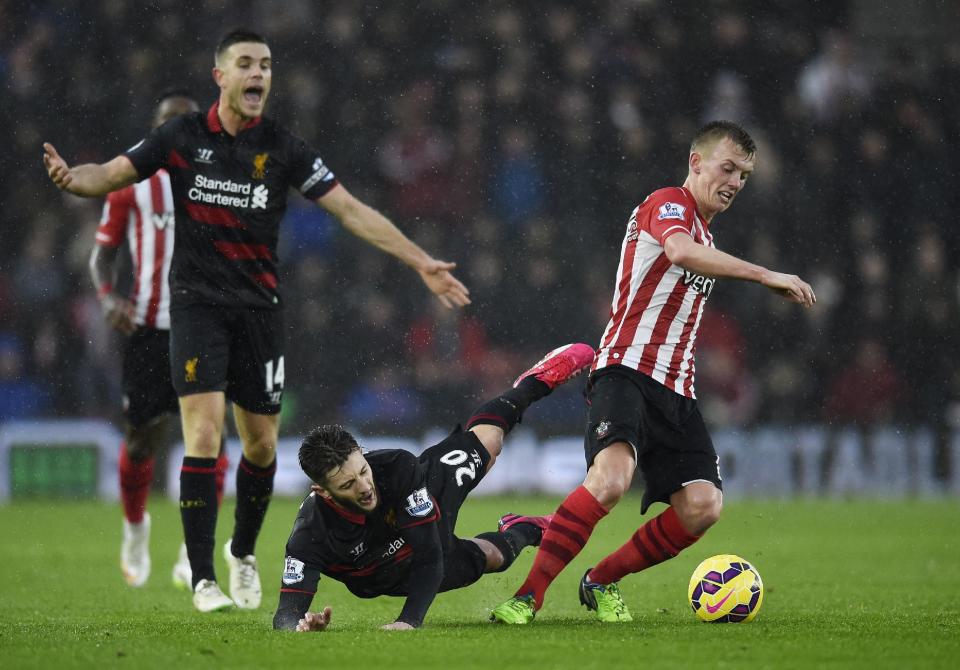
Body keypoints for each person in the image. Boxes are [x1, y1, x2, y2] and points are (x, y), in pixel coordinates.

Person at [44, 29, 470, 613]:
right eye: (246, 64)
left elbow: (348, 209)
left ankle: (241, 551)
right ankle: (202, 579)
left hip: (259, 311)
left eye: (266, 65)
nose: (258, 74)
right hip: (194, 307)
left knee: (262, 445)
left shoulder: (284, 147)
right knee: (200, 432)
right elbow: (113, 173)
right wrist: (75, 178)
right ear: (220, 77)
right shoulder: (181, 138)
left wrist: (420, 260)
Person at [490, 121, 816, 624]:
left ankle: (600, 580)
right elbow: (679, 252)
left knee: (703, 506)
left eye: (744, 175)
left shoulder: (707, 232)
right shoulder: (669, 204)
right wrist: (765, 274)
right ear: (696, 162)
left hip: (677, 390)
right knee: (612, 480)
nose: (734, 181)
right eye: (727, 168)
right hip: (624, 370)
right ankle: (526, 597)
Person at [272, 343, 595, 631]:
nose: (365, 486)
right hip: (389, 576)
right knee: (495, 558)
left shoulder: (396, 468)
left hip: (427, 519)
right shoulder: (310, 533)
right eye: (347, 484)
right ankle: (524, 528)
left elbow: (430, 553)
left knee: (489, 445)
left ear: (364, 455)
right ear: (323, 491)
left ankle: (534, 383)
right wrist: (301, 624)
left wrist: (408, 620)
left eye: (363, 470)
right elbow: (286, 614)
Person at [88, 90, 231, 590]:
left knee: (207, 442)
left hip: (205, 327)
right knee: (143, 438)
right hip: (149, 329)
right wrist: (107, 297)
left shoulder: (219, 182)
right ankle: (134, 527)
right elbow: (101, 255)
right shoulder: (131, 184)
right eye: (165, 124)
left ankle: (195, 554)